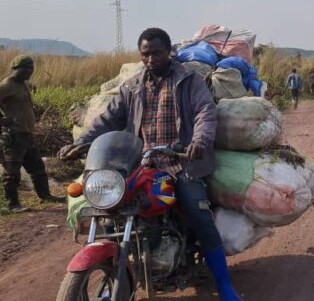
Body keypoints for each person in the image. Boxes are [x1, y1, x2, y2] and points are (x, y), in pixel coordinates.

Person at [58, 28, 241, 301]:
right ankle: (117, 271)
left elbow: (205, 111)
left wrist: (200, 140)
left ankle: (225, 285)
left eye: (156, 53)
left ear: (169, 52)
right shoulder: (132, 86)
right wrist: (82, 141)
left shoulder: (189, 80)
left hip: (181, 163)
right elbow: (108, 119)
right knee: (109, 211)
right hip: (141, 164)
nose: (150, 59)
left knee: (198, 213)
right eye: (145, 54)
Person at [0, 55, 66, 212]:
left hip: (26, 134)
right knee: (12, 171)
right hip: (14, 135)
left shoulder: (22, 85)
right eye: (26, 69)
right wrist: (0, 120)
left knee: (37, 167)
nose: (30, 72)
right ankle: (12, 204)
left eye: (31, 68)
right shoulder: (7, 85)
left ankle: (45, 196)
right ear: (16, 69)